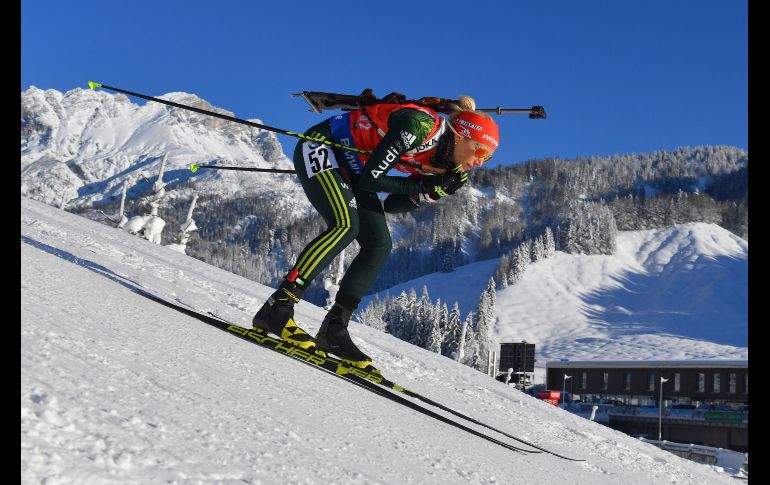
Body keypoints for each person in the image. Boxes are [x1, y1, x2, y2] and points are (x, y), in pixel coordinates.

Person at [252, 94, 500, 370]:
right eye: (479, 151)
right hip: (324, 148)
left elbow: (393, 204)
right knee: (346, 225)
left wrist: (434, 191)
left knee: (379, 243)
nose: (480, 162)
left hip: (356, 171)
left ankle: (334, 330)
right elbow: (373, 180)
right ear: (460, 136)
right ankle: (279, 307)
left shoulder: (444, 161)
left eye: (488, 157)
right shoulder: (419, 126)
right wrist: (429, 184)